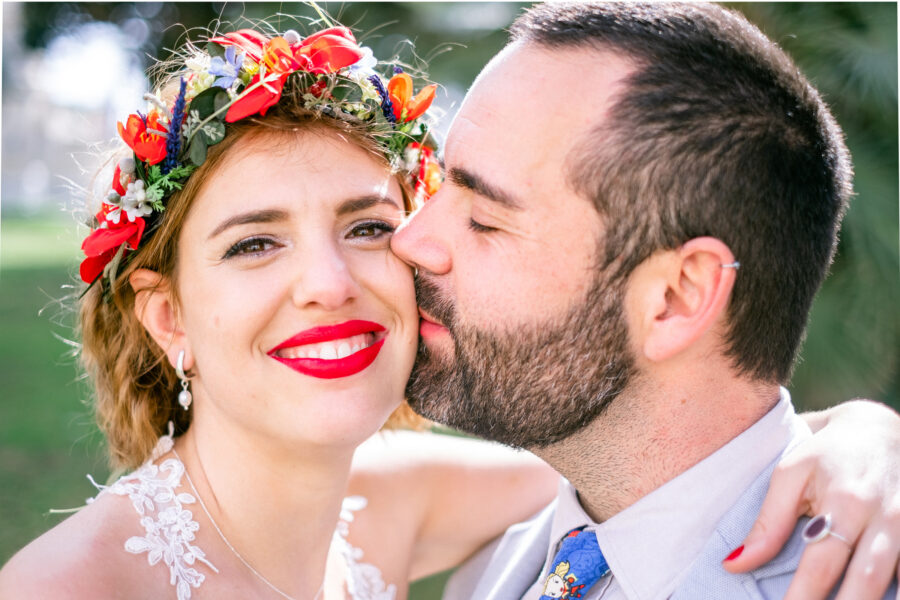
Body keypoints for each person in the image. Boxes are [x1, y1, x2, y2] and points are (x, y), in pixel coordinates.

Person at [0, 9, 897, 600]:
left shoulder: (402, 508)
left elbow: (695, 462)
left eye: (481, 216)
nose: (404, 251)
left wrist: (854, 434)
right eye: (254, 242)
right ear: (168, 318)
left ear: (675, 300)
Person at [389, 2, 900, 600]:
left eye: (484, 219)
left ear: (676, 297)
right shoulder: (491, 573)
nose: (411, 239)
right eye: (443, 182)